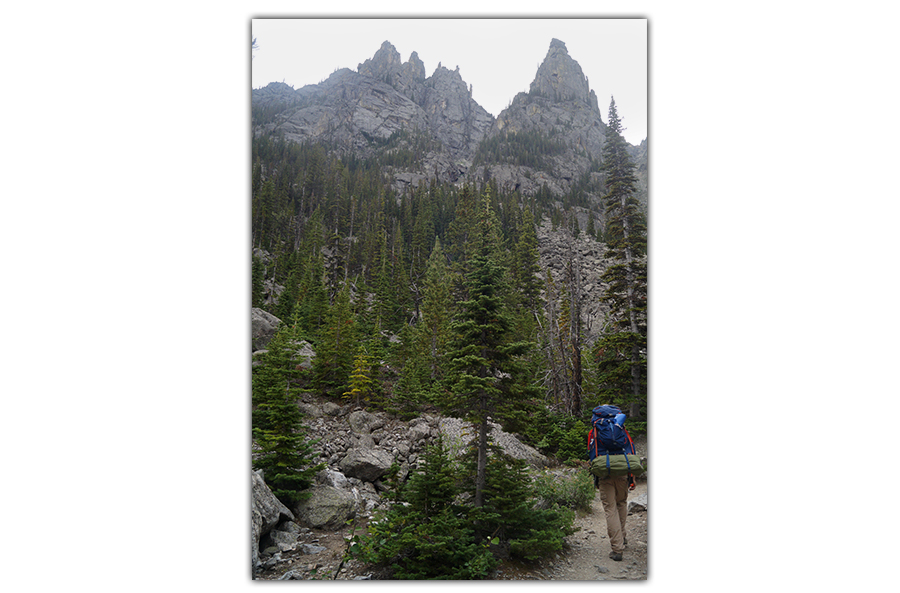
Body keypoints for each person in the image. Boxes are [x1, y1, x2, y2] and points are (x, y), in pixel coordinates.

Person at [587, 407, 637, 562]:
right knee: (621, 503)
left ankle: (617, 548)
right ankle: (622, 537)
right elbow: (631, 451)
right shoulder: (621, 428)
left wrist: (596, 477)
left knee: (610, 509)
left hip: (605, 474)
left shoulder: (594, 431)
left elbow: (592, 453)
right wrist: (632, 477)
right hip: (622, 472)